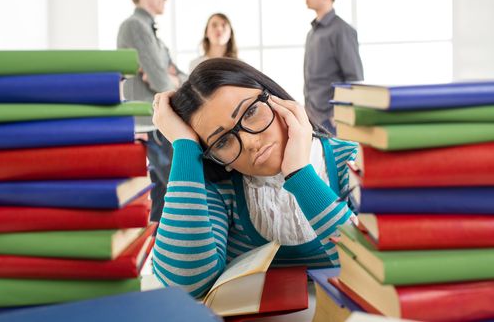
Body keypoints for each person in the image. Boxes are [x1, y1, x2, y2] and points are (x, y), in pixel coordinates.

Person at [151, 58, 358, 297]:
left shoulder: (353, 161)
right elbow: (186, 285)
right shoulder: (221, 187)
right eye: (223, 141)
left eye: (250, 112)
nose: (249, 142)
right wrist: (184, 145)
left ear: (275, 98)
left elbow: (372, 271)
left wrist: (300, 174)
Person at [117, 0, 187, 222]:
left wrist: (171, 78)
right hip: (151, 124)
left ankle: (158, 251)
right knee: (179, 191)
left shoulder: (153, 34)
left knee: (161, 193)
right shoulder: (134, 26)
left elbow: (179, 75)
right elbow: (161, 80)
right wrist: (167, 77)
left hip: (155, 122)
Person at [303, 0, 363, 134]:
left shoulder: (342, 30)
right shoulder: (312, 33)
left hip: (331, 119)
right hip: (312, 116)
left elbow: (355, 78)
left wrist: (338, 114)